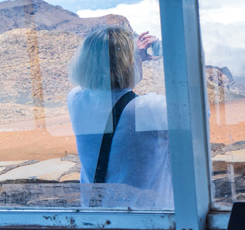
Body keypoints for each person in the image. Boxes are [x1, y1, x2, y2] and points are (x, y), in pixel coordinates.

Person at [67, 24, 173, 209]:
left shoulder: (76, 101)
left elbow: (105, 82)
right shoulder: (147, 109)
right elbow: (200, 111)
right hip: (149, 220)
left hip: (98, 220)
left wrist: (131, 58)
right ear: (128, 63)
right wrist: (171, 55)